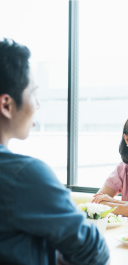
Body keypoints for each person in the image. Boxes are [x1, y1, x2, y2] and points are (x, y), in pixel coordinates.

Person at [0, 39, 109, 264]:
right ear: (6, 105)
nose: (37, 104)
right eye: (33, 93)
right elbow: (95, 252)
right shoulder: (24, 175)